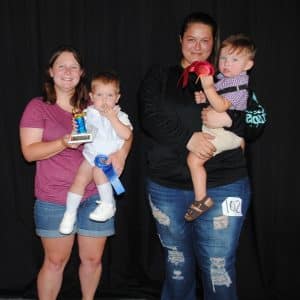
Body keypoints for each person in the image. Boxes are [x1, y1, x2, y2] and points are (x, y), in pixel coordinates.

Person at [138, 11, 261, 300]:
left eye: (204, 41)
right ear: (180, 40)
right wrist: (189, 139)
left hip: (223, 185)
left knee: (218, 268)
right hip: (167, 186)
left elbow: (258, 122)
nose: (197, 46)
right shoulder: (160, 75)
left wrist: (230, 121)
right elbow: (149, 117)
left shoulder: (230, 77)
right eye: (191, 39)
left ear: (214, 43)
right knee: (177, 267)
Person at [19, 45, 132, 300]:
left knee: (92, 260)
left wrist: (121, 155)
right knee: (55, 261)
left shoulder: (98, 102)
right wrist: (63, 142)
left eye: (73, 67)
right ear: (51, 72)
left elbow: (126, 133)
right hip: (54, 197)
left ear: (82, 73)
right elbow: (29, 152)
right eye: (61, 66)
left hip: (95, 194)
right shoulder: (38, 107)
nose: (67, 72)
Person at [185, 33, 256, 221]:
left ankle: (201, 199)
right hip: (220, 130)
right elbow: (215, 99)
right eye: (223, 58)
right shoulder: (224, 79)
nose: (226, 63)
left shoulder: (239, 83)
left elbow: (222, 106)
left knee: (194, 160)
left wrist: (208, 89)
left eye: (234, 59)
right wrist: (204, 97)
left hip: (225, 133)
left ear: (247, 65)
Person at [59, 71, 133, 235]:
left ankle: (108, 204)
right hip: (90, 157)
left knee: (99, 172)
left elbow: (127, 135)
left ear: (117, 98)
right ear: (92, 96)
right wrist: (77, 129)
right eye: (99, 95)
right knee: (79, 180)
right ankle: (69, 214)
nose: (104, 100)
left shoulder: (121, 115)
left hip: (109, 160)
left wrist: (113, 119)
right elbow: (82, 138)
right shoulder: (87, 114)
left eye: (109, 95)